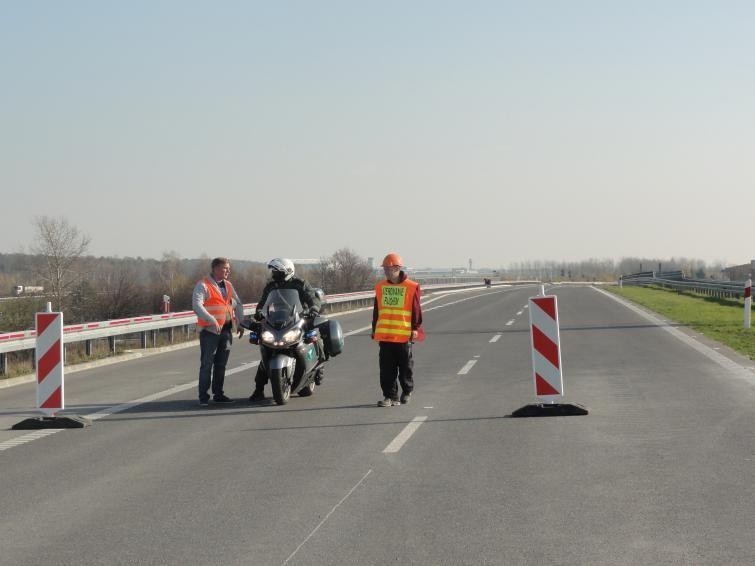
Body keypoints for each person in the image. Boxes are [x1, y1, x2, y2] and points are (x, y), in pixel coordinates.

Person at [249, 257, 324, 402]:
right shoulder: (271, 286)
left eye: (277, 271)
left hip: (298, 318)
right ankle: (258, 389)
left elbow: (312, 299)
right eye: (273, 271)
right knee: (266, 349)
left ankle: (319, 365)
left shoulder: (299, 284)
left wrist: (314, 308)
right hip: (275, 321)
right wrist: (259, 312)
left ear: (287, 271)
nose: (274, 274)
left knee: (314, 335)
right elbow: (262, 303)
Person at [372, 252, 423, 407]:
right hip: (386, 335)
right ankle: (390, 396)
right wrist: (374, 329)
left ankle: (406, 391)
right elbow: (377, 310)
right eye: (385, 268)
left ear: (398, 268)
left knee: (405, 367)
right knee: (386, 369)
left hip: (403, 335)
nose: (386, 271)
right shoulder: (381, 287)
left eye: (389, 268)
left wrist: (415, 327)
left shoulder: (411, 287)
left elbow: (416, 309)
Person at [192, 257, 245, 406]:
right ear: (215, 269)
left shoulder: (228, 285)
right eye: (225, 268)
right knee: (207, 364)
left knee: (221, 365)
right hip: (210, 331)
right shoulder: (203, 285)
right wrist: (211, 320)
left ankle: (218, 394)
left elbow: (237, 303)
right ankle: (203, 397)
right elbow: (197, 305)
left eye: (228, 268)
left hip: (226, 331)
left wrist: (240, 323)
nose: (228, 270)